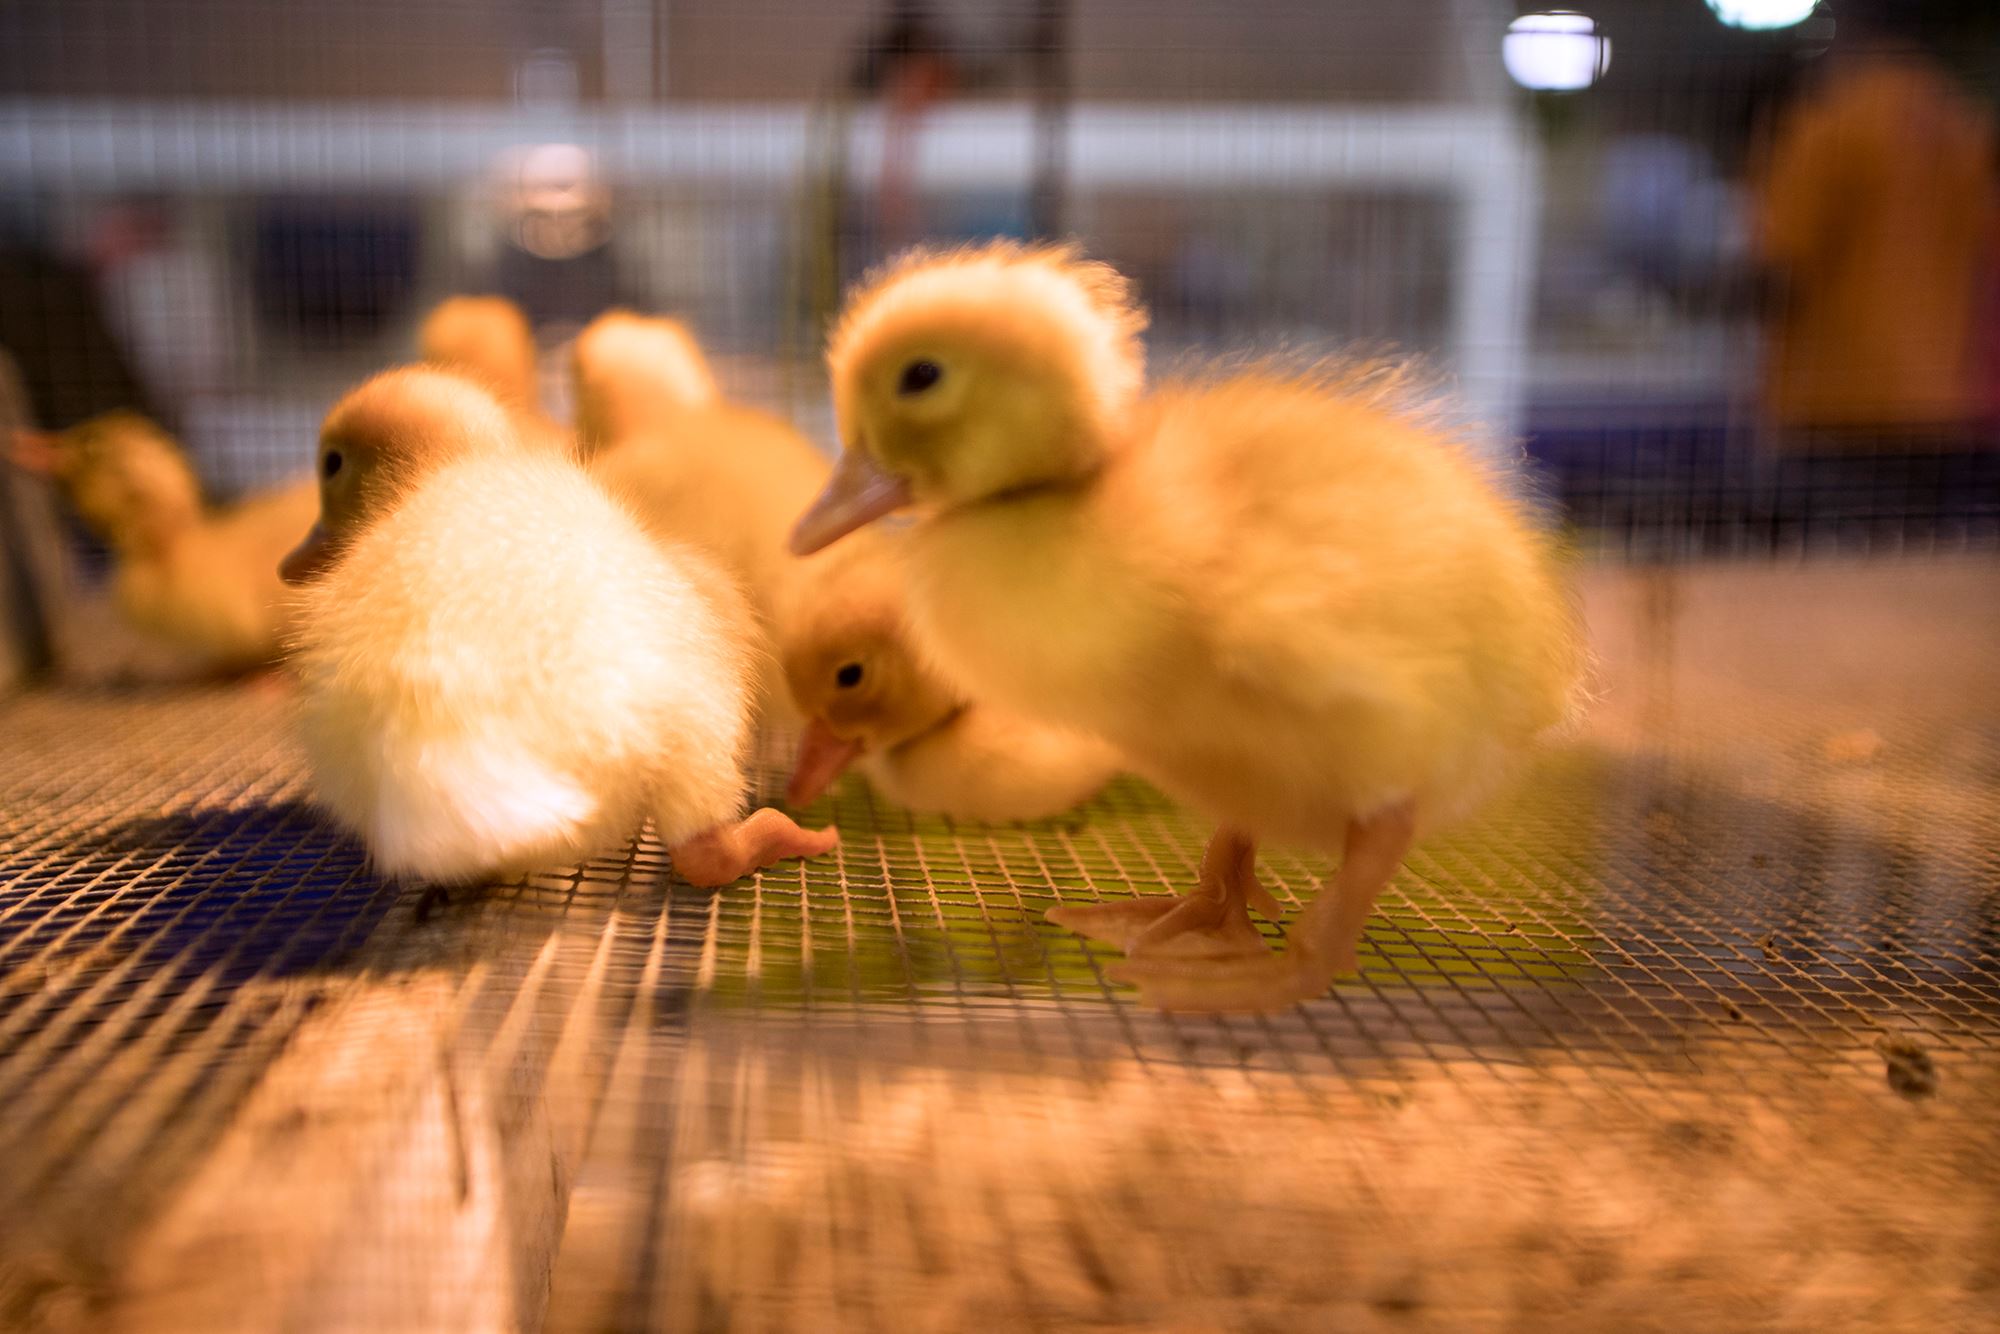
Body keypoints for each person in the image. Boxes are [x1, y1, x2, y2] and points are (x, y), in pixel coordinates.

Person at [1753, 12, 1998, 442]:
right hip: (1939, 404)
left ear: (1849, 19)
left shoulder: (1832, 119)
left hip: (1836, 405)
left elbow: (1779, 268)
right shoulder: (1965, 124)